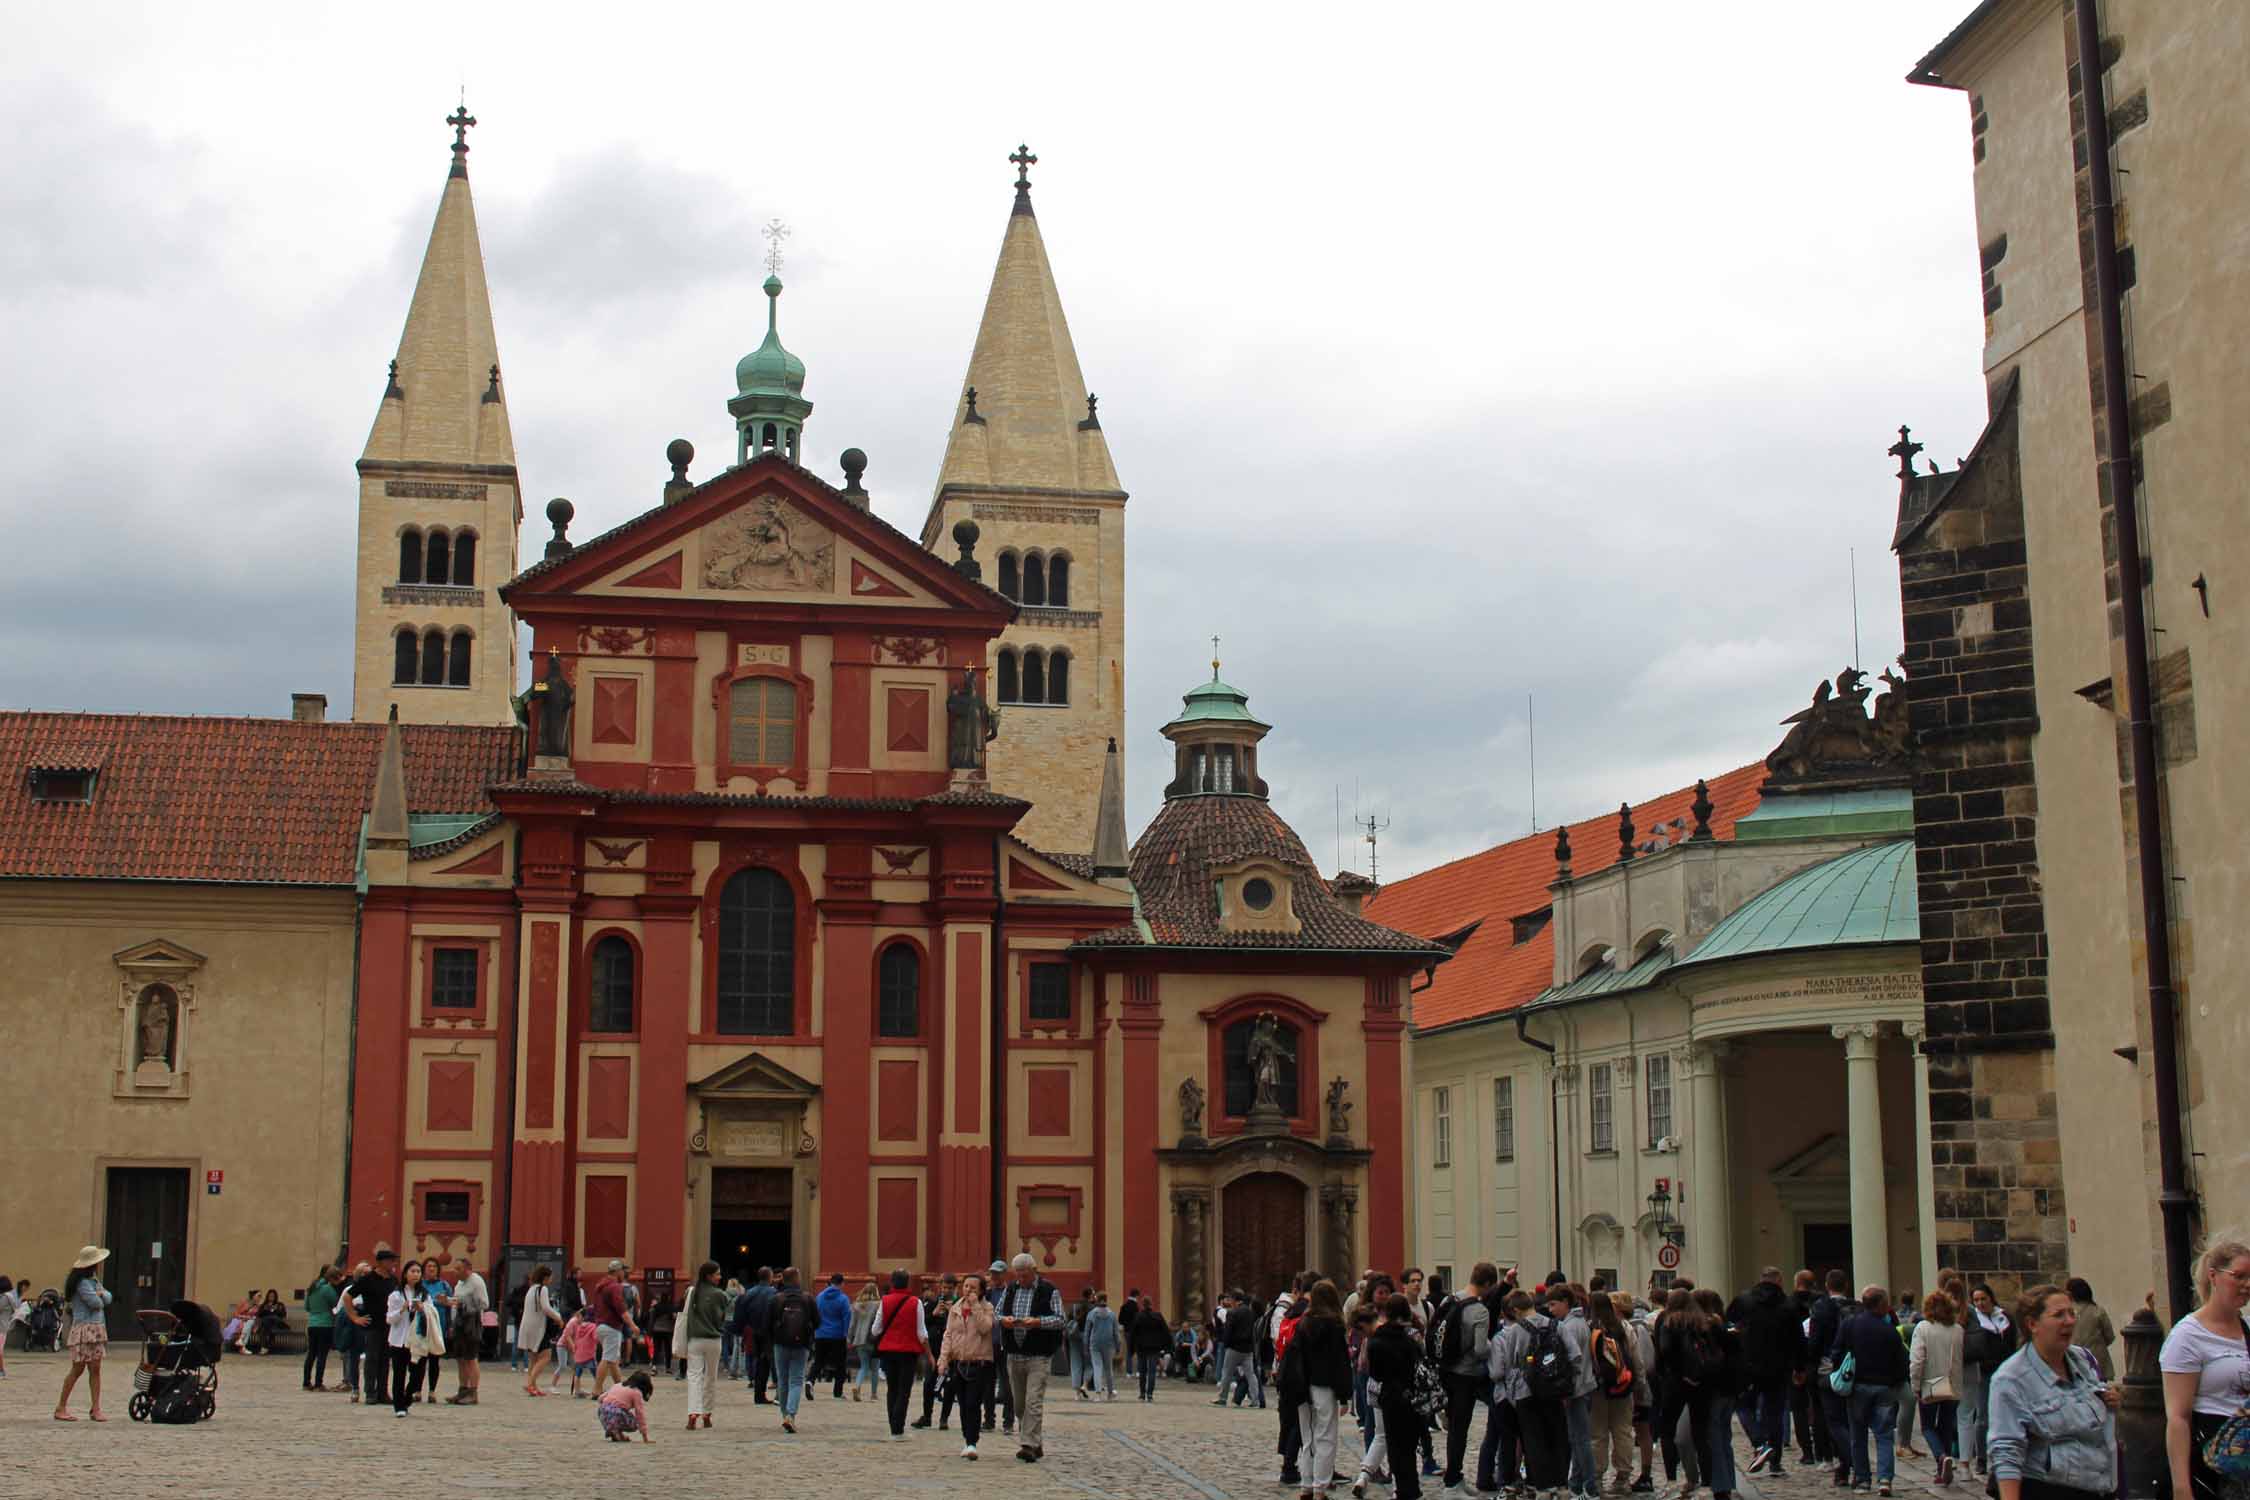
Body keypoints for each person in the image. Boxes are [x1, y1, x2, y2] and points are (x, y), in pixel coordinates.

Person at [1988, 1284, 2116, 1500]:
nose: (2070, 1320)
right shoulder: (2010, 1379)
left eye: (2071, 1312)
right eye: (2058, 1315)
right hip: (2047, 1489)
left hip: (2097, 1487)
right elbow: (2006, 1451)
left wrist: (2108, 1400)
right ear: (2032, 1324)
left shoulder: (2080, 1359)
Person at [2163, 1240, 2250, 1500]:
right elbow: (2178, 1417)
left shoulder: (2247, 1328)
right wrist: (2181, 1487)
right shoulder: (2188, 1335)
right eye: (2239, 1276)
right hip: (2210, 1457)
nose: (2247, 1284)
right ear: (2214, 1276)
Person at [1730, 1266, 1805, 1478]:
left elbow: (1730, 1325)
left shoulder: (1744, 1301)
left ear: (1761, 1280)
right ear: (1779, 1281)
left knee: (1744, 1406)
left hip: (1748, 1365)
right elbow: (1798, 1340)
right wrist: (1799, 1368)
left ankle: (1759, 1442)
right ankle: (1775, 1462)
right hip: (1778, 1367)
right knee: (1775, 1413)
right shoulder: (1788, 1305)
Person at [1835, 1286, 1910, 1497]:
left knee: (1857, 1435)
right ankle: (1885, 1479)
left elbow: (1836, 1351)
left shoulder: (1850, 1325)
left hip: (1857, 1386)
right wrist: (1895, 1383)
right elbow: (1901, 1362)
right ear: (1880, 1305)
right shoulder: (1889, 1330)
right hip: (1884, 1387)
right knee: (1884, 1435)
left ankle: (1862, 1479)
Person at [1279, 1279, 1350, 1500]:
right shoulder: (1335, 1325)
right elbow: (1341, 1362)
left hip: (1302, 1387)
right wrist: (1345, 1395)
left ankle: (1306, 1486)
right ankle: (1320, 1487)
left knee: (1308, 1437)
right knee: (1326, 1436)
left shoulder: (1303, 1323)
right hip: (1324, 1386)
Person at [995, 1251, 1064, 1462]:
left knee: (1033, 1401)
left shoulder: (1049, 1290)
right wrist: (1003, 1320)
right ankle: (1036, 1440)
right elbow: (995, 1313)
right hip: (1014, 1354)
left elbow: (1060, 1319)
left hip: (1038, 1356)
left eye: (1024, 1274)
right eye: (1018, 1274)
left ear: (1033, 1271)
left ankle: (1028, 1445)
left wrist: (1038, 1322)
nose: (1020, 1279)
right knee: (1019, 1405)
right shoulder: (1011, 1289)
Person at [1436, 1260, 1498, 1490]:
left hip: (1445, 1370)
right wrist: (1497, 1345)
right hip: (1466, 1374)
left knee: (1454, 1425)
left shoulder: (1450, 1299)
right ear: (1488, 1283)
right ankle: (1453, 1478)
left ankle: (1453, 1475)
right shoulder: (1479, 1311)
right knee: (1460, 1428)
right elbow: (1481, 1349)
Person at [1366, 1293, 1428, 1500]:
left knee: (1394, 1445)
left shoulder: (1377, 1339)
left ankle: (1401, 1488)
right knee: (1410, 1445)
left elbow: (1375, 1373)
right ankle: (1412, 1487)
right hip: (1411, 1396)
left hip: (1390, 1397)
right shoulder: (1411, 1338)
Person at [1590, 1280, 1646, 1491]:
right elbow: (1636, 1359)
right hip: (1623, 1385)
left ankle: (1596, 1476)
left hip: (1598, 1388)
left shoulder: (1591, 1327)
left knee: (1597, 1434)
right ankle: (1623, 1477)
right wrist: (1639, 1385)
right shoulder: (1624, 1327)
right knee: (1623, 1431)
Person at [1909, 1289, 1966, 1484]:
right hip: (1953, 1382)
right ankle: (1943, 1469)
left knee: (1927, 1427)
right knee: (1946, 1427)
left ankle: (1941, 1457)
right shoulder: (1958, 1329)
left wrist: (1915, 1385)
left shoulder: (1923, 1328)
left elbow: (1917, 1360)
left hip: (1932, 1382)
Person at [938, 1271, 997, 1459]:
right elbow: (948, 1334)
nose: (968, 1290)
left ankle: (972, 1442)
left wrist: (975, 1307)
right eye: (966, 1286)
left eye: (973, 1287)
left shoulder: (987, 1307)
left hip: (979, 1362)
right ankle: (967, 1439)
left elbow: (985, 1328)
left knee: (973, 1403)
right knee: (963, 1404)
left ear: (980, 1291)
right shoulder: (955, 1308)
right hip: (958, 1362)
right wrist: (943, 1359)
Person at [1962, 1282, 2016, 1478]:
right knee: (1982, 1417)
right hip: (1983, 1372)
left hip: (2004, 1370)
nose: (1980, 1303)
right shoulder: (1975, 1321)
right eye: (1976, 1300)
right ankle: (1982, 1459)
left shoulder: (2005, 1317)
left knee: (2004, 1415)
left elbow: (2012, 1343)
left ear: (1991, 1298)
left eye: (1983, 1298)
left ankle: (2002, 1456)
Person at [870, 1267, 933, 1438]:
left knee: (892, 1389)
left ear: (892, 1282)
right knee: (904, 1391)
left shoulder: (885, 1301)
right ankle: (898, 1429)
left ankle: (893, 1426)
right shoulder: (915, 1302)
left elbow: (876, 1330)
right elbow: (922, 1333)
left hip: (888, 1351)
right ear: (908, 1282)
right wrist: (929, 1354)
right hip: (908, 1352)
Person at [53, 1245, 113, 1421]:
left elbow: (108, 1297)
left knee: (96, 1369)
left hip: (97, 1328)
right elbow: (96, 1303)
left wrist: (101, 1294)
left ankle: (96, 1408)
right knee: (77, 1369)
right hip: (84, 1328)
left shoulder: (93, 1281)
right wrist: (101, 1295)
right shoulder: (82, 1283)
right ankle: (61, 1407)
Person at [675, 1260, 727, 1430]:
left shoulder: (692, 1292)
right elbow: (721, 1318)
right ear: (709, 1276)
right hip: (713, 1340)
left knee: (694, 1377)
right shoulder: (720, 1294)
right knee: (710, 1377)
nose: (720, 1277)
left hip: (695, 1340)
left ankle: (692, 1413)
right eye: (717, 1274)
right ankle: (707, 1414)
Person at [385, 1260, 440, 1417]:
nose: (416, 1274)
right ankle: (399, 1407)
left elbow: (432, 1314)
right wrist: (402, 1310)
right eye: (412, 1271)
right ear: (405, 1274)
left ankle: (406, 1398)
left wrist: (423, 1309)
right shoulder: (396, 1295)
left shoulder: (424, 1294)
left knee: (417, 1375)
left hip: (418, 1340)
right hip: (399, 1340)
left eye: (418, 1272)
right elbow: (389, 1319)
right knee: (399, 1374)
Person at [768, 1266, 815, 1432]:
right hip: (801, 1344)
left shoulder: (776, 1298)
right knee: (796, 1380)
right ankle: (791, 1415)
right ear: (797, 1279)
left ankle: (784, 1414)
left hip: (780, 1343)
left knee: (782, 1379)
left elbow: (767, 1323)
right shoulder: (807, 1298)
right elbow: (817, 1321)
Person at [588, 1258, 642, 1398]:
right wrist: (633, 1325)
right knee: (607, 1359)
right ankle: (597, 1389)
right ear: (618, 1271)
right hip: (611, 1327)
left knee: (613, 1360)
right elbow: (621, 1309)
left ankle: (621, 1387)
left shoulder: (600, 1285)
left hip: (600, 1325)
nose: (624, 1273)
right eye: (623, 1270)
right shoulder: (615, 1287)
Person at [914, 1275, 957, 1428]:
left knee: (950, 1385)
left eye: (949, 1288)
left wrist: (953, 1312)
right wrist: (934, 1313)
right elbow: (922, 1323)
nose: (946, 1291)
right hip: (933, 1349)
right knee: (929, 1384)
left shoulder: (959, 1305)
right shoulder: (931, 1303)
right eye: (944, 1287)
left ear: (954, 1288)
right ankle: (927, 1416)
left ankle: (944, 1419)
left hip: (953, 1351)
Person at [444, 1254, 489, 1404]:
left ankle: (473, 1392)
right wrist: (448, 1303)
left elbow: (484, 1304)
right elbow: (457, 1303)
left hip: (472, 1320)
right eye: (454, 1269)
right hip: (459, 1321)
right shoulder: (459, 1284)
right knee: (460, 1358)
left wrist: (465, 1303)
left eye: (458, 1269)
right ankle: (462, 1390)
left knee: (471, 1357)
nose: (455, 1272)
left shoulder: (476, 1282)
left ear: (468, 1270)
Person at [519, 1265, 560, 1396]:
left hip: (527, 1326)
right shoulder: (543, 1289)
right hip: (537, 1327)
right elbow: (546, 1308)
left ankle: (533, 1385)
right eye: (551, 1277)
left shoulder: (531, 1289)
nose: (552, 1279)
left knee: (533, 1358)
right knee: (546, 1356)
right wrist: (558, 1318)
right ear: (545, 1277)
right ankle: (530, 1383)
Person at [2065, 1278, 2116, 1384]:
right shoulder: (2098, 1311)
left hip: (2073, 1360)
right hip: (2097, 1361)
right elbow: (2110, 1337)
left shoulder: (2066, 1313)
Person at [815, 1272, 852, 1400]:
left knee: (818, 1361)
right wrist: (847, 1334)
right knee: (840, 1365)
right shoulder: (843, 1298)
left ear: (830, 1282)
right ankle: (837, 1392)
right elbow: (847, 1317)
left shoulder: (819, 1296)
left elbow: (816, 1314)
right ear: (842, 1284)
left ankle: (809, 1381)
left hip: (820, 1334)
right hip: (837, 1335)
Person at [303, 1265, 341, 1390]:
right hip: (325, 1324)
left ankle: (306, 1382)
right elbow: (336, 1303)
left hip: (312, 1323)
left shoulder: (312, 1288)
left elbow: (307, 1307)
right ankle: (318, 1383)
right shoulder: (327, 1288)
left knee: (311, 1354)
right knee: (322, 1355)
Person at [1130, 1294, 1171, 1401]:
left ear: (1142, 1304)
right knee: (1152, 1371)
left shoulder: (1138, 1316)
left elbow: (1133, 1333)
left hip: (1141, 1347)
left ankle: (1142, 1393)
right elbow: (1165, 1332)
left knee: (1142, 1371)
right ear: (1151, 1304)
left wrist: (1132, 1348)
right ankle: (1150, 1394)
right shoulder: (1158, 1316)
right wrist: (1166, 1346)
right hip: (1154, 1347)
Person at [597, 1369, 656, 1442]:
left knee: (618, 1414)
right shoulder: (636, 1392)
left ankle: (616, 1432)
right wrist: (645, 1437)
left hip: (602, 1411)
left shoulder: (617, 1385)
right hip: (616, 1414)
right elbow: (639, 1413)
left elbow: (600, 1398)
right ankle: (616, 1430)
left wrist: (607, 1407)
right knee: (634, 1422)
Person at [848, 1279, 882, 1401]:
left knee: (864, 1366)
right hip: (873, 1339)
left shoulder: (856, 1305)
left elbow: (852, 1324)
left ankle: (857, 1386)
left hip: (859, 1340)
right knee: (875, 1368)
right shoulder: (879, 1304)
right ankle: (873, 1394)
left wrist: (849, 1338)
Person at [1084, 1291, 1119, 1399]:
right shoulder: (1112, 1314)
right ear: (1106, 1299)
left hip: (1094, 1343)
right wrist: (1118, 1346)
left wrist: (1085, 1346)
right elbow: (1115, 1332)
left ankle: (1098, 1394)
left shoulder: (1092, 1314)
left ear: (1097, 1300)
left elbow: (1087, 1331)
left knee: (1097, 1367)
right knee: (1109, 1369)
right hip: (1108, 1344)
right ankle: (1110, 1393)